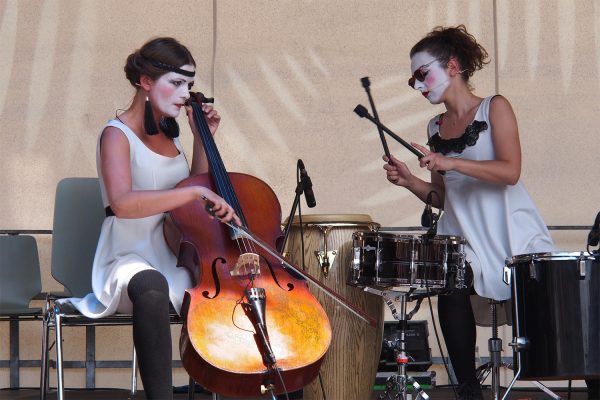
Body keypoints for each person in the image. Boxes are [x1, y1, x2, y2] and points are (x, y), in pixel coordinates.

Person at [382, 25, 557, 399]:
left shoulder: (495, 107)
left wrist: (451, 162)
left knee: (545, 321)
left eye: (422, 74)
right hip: (466, 238)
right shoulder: (435, 127)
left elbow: (510, 172)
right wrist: (411, 181)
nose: (418, 85)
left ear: (453, 66)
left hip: (511, 232)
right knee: (450, 279)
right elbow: (445, 197)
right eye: (413, 79)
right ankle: (467, 388)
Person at [66, 37, 240, 399]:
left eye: (189, 85)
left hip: (170, 254)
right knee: (151, 289)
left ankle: (210, 390)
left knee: (216, 292)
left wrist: (202, 139)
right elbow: (123, 204)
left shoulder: (170, 136)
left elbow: (191, 191)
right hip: (127, 256)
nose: (184, 94)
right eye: (176, 83)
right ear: (145, 81)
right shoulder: (116, 135)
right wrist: (195, 192)